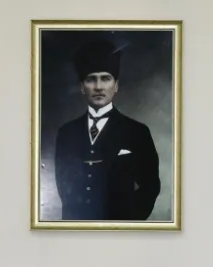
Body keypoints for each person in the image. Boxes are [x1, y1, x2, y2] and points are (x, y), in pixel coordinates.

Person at [53, 38, 161, 221]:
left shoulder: (137, 132)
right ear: (82, 87)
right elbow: (63, 188)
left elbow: (150, 186)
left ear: (116, 86)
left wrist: (127, 222)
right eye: (91, 79)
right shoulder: (66, 133)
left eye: (105, 78)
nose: (98, 87)